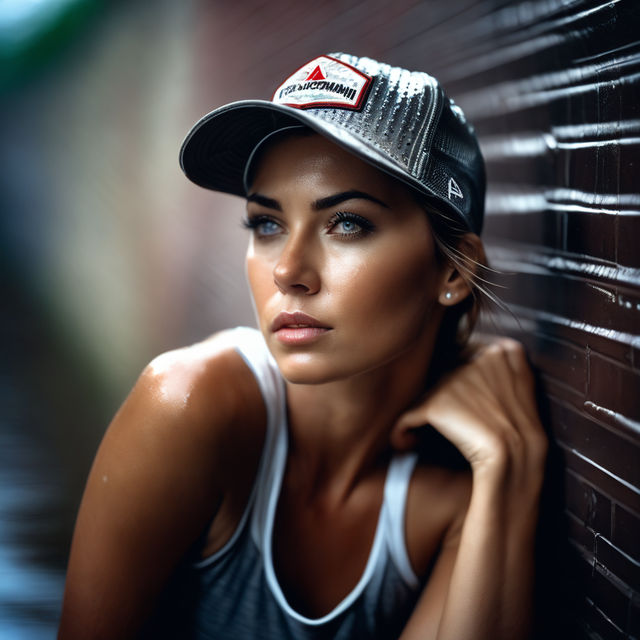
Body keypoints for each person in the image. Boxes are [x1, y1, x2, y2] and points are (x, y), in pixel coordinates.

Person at [58, 53, 547, 639]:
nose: (288, 270)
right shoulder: (186, 407)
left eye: (347, 223)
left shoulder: (446, 496)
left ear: (454, 270)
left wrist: (506, 474)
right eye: (266, 224)